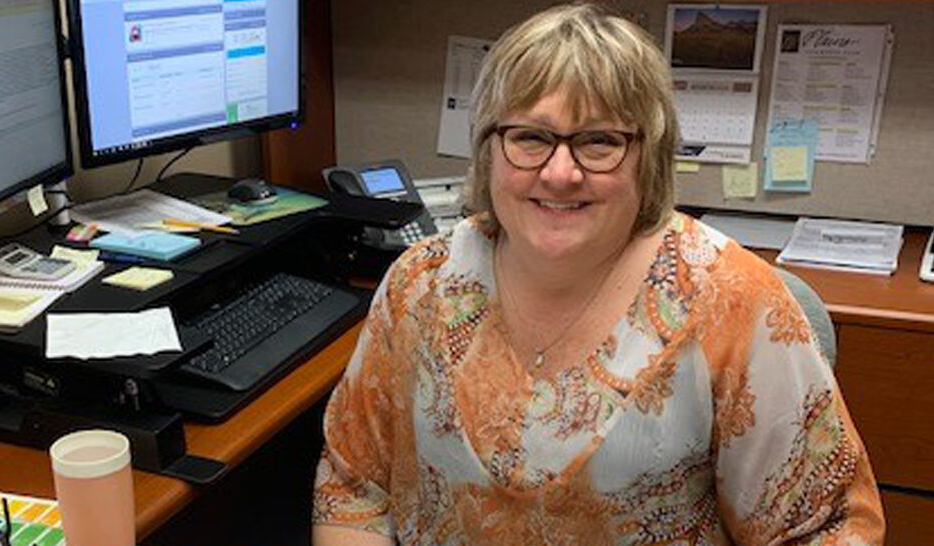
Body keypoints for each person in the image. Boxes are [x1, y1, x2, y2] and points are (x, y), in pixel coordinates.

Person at [312, 4, 885, 544]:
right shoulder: (420, 286)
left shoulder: (732, 302)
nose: (561, 173)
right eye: (531, 137)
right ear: (490, 149)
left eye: (600, 141)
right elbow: (354, 483)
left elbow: (826, 528)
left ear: (649, 155)